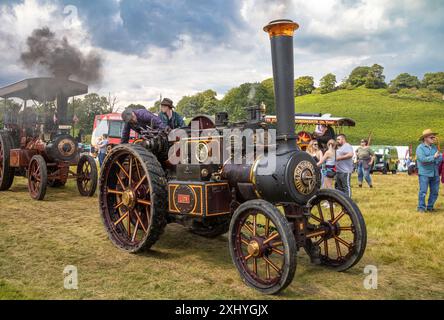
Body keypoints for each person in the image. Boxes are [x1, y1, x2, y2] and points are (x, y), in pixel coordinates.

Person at [416, 129, 442, 213]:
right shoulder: (420, 148)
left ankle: (430, 207)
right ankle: (421, 208)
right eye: (431, 136)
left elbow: (439, 158)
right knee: (423, 191)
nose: (433, 137)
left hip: (435, 173)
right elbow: (422, 160)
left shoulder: (434, 147)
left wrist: (439, 157)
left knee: (435, 192)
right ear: (425, 138)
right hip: (424, 174)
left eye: (433, 136)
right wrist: (434, 157)